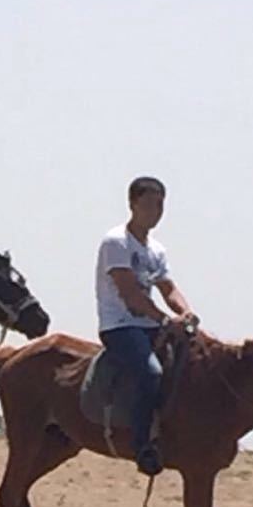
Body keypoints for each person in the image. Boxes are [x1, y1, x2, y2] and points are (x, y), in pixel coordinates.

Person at [95, 176, 199, 476]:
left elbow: (168, 288)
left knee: (195, 361)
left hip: (150, 325)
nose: (156, 210)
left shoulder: (156, 250)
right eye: (149, 203)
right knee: (150, 372)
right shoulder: (116, 242)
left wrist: (186, 313)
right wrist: (166, 320)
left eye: (160, 203)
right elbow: (130, 293)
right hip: (121, 326)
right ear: (132, 204)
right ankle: (142, 445)